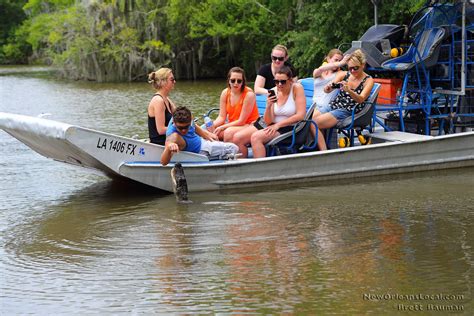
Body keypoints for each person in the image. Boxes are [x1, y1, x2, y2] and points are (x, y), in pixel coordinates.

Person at [233, 66, 306, 158]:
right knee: (237, 138)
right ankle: (243, 167)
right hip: (270, 123)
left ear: (290, 80)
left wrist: (278, 125)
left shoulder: (297, 88)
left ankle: (260, 167)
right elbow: (268, 121)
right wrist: (268, 106)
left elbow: (301, 115)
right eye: (276, 81)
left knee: (256, 137)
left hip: (288, 126)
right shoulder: (273, 91)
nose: (279, 84)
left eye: (282, 81)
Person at [312, 49, 374, 151]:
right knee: (308, 120)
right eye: (350, 68)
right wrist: (329, 87)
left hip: (347, 110)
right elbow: (327, 90)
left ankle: (323, 151)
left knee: (314, 123)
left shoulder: (368, 80)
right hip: (334, 105)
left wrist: (349, 91)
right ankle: (319, 148)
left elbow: (361, 99)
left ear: (363, 65)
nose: (353, 71)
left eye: (356, 68)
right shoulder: (344, 75)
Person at [160, 106, 239, 166]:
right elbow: (163, 162)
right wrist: (169, 148)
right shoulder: (172, 136)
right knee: (234, 148)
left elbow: (195, 127)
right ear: (173, 122)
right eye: (180, 128)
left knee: (219, 141)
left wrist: (208, 136)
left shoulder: (188, 117)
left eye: (186, 127)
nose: (183, 130)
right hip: (201, 151)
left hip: (202, 141)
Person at [211, 67, 260, 142]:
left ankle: (228, 151)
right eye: (233, 80)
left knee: (228, 132)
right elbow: (221, 117)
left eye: (239, 81)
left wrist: (223, 127)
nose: (236, 83)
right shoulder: (225, 93)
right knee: (210, 130)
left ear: (243, 82)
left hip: (249, 125)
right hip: (234, 124)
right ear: (229, 80)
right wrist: (211, 125)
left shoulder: (249, 95)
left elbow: (241, 121)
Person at [147, 68, 176, 145]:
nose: (174, 82)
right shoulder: (158, 101)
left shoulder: (167, 99)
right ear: (163, 82)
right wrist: (182, 128)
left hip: (171, 139)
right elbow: (161, 130)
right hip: (160, 143)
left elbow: (179, 115)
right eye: (172, 80)